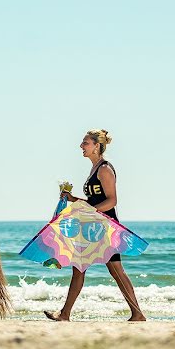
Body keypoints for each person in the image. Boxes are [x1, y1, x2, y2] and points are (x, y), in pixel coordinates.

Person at [44, 129, 146, 322]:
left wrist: (89, 212)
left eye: (85, 143)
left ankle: (138, 313)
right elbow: (95, 199)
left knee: (115, 269)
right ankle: (65, 314)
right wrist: (74, 199)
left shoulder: (105, 169)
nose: (81, 146)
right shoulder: (94, 168)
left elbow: (112, 201)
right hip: (93, 227)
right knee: (79, 266)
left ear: (96, 146)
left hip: (105, 226)